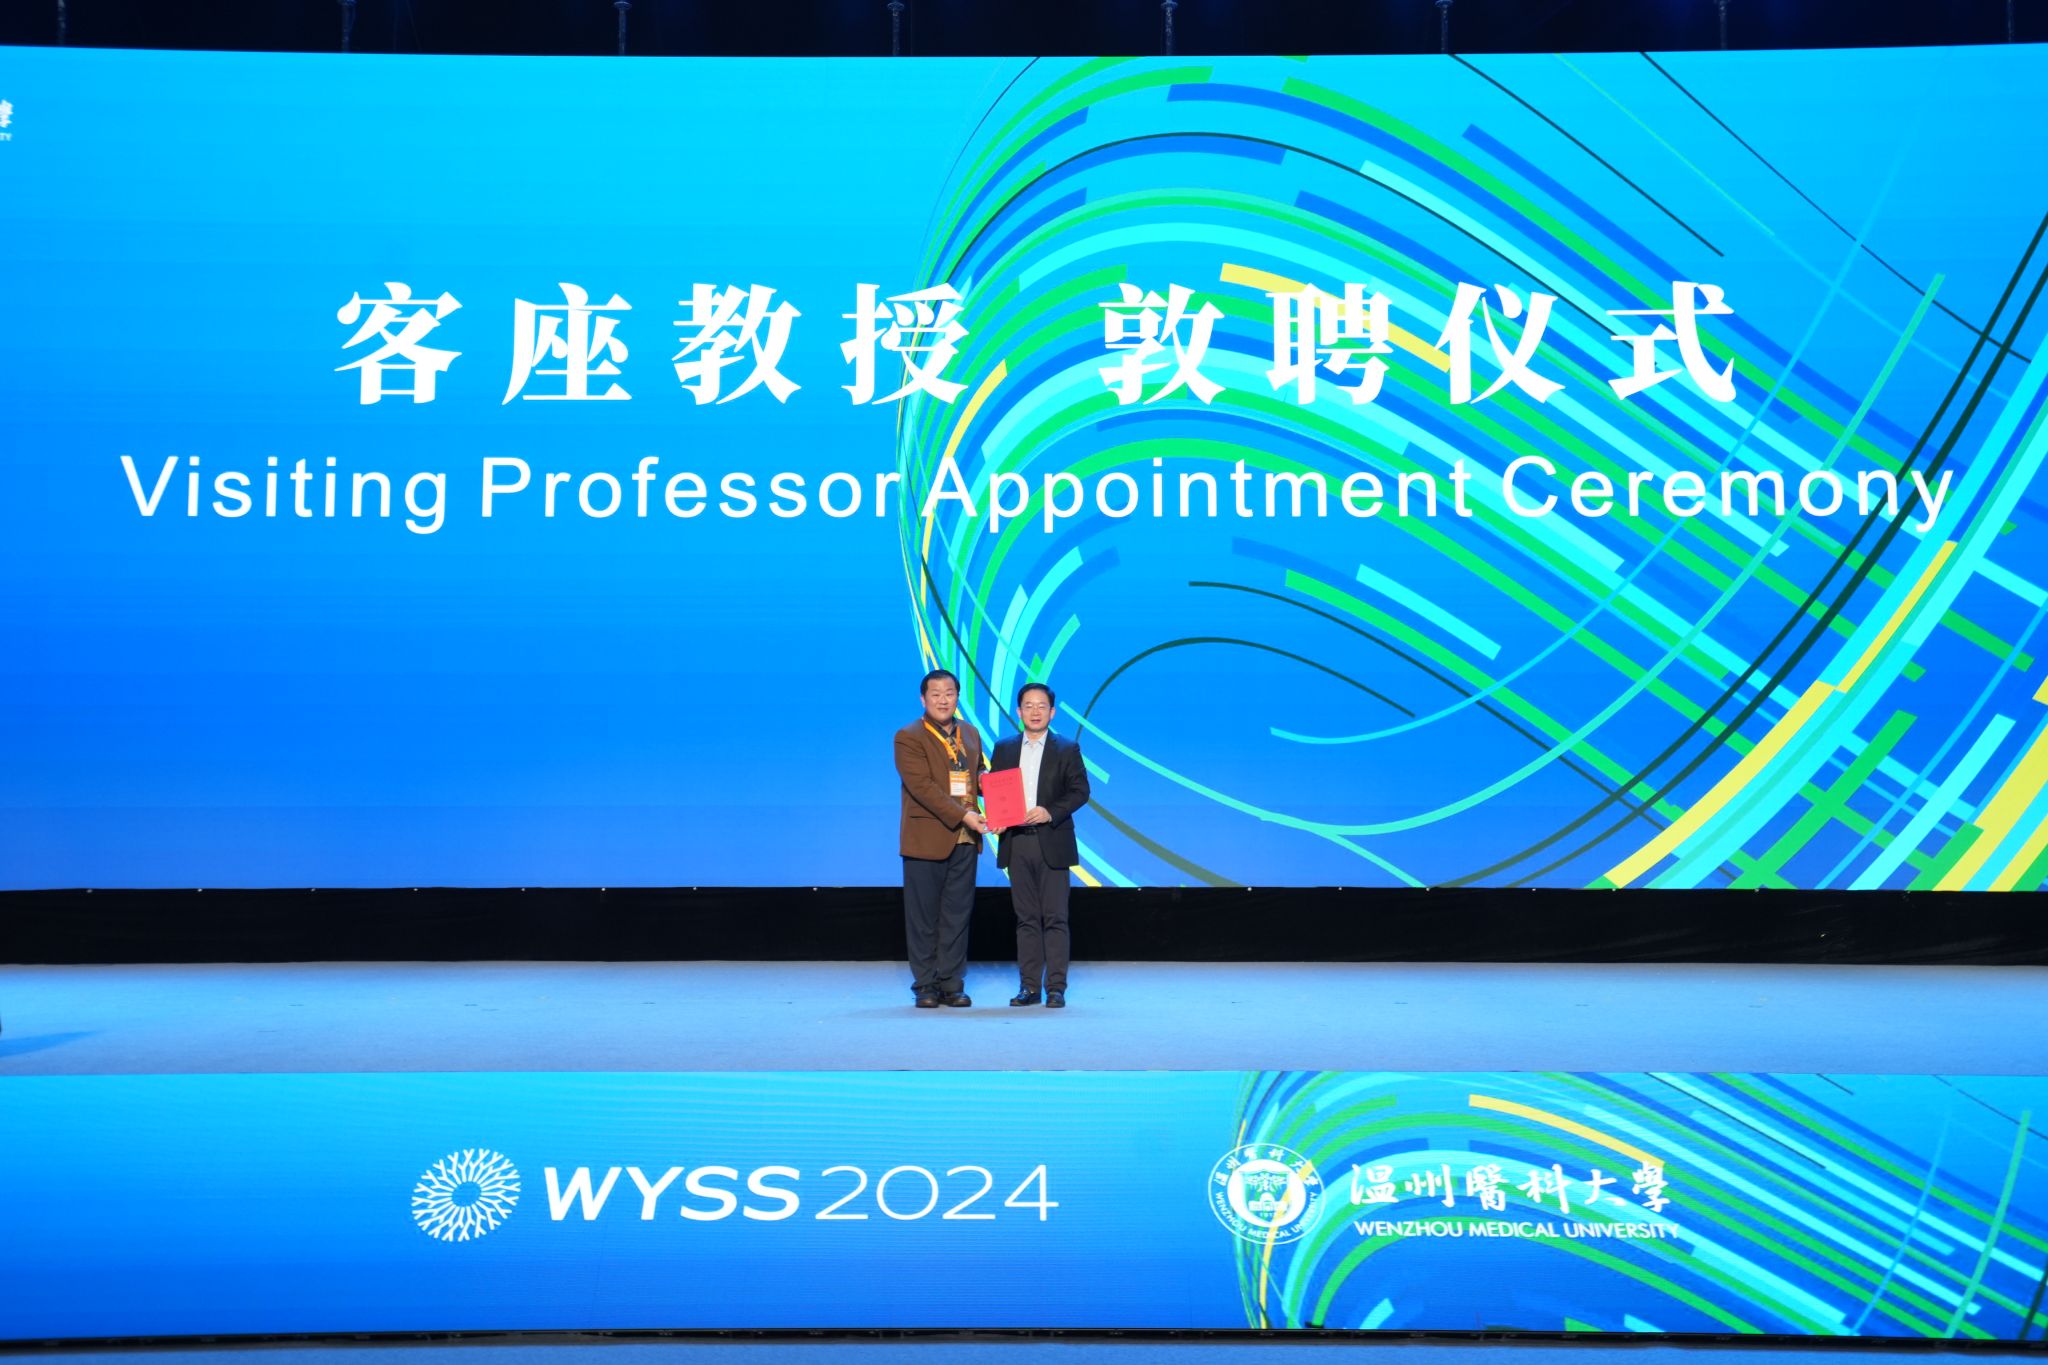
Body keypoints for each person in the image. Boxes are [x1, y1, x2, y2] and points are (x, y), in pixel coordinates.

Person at [989, 682, 1091, 1008]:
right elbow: (995, 792)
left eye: (1041, 706)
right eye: (1029, 706)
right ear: (1019, 712)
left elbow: (1080, 791)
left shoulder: (1067, 748)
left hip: (1052, 840)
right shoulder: (1004, 748)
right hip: (1017, 842)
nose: (1035, 711)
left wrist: (1050, 812)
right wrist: (997, 817)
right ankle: (1029, 987)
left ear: (1052, 712)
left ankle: (1056, 988)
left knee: (1055, 917)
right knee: (1026, 918)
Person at [894, 668, 987, 1009]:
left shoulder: (971, 733)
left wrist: (993, 787)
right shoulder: (908, 736)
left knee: (957, 915)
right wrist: (963, 815)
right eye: (935, 694)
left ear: (957, 697)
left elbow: (978, 773)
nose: (943, 700)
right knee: (923, 917)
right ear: (923, 699)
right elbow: (922, 788)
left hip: (965, 838)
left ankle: (952, 983)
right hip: (926, 838)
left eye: (949, 693)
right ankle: (925, 985)